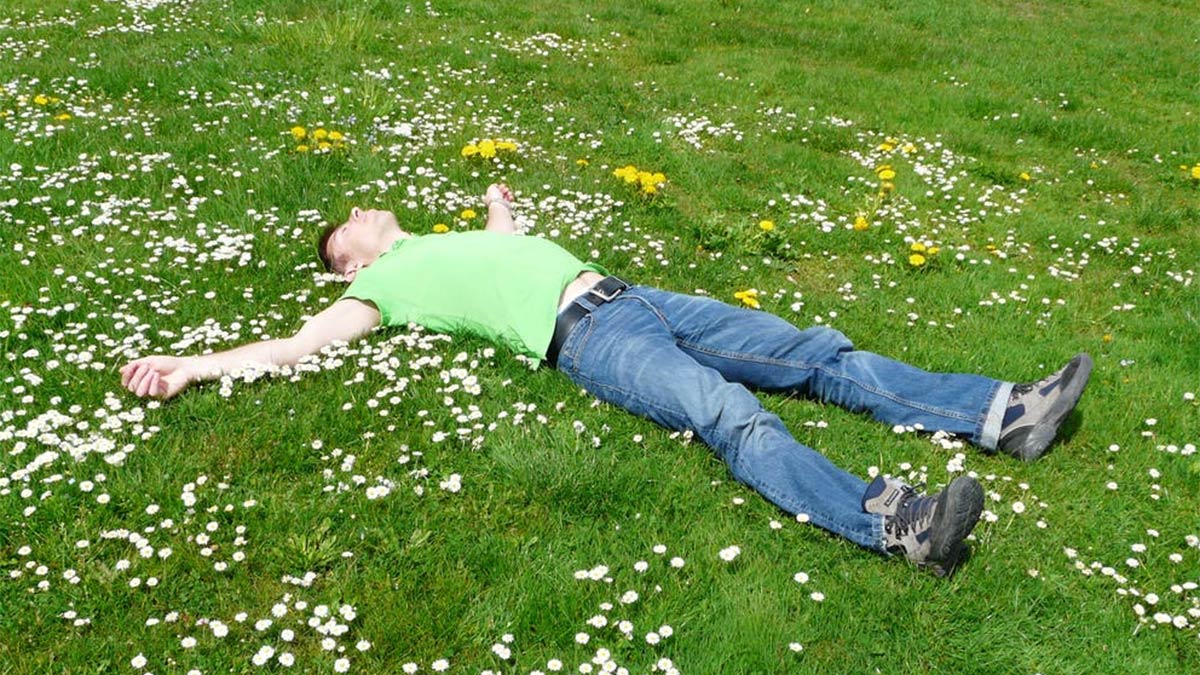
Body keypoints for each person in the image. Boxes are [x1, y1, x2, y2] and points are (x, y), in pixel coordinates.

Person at [120, 183, 1093, 576]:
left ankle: (1001, 413)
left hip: (637, 296)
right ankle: (898, 524)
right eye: (351, 229)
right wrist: (193, 365)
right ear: (348, 262)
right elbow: (296, 349)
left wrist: (500, 205)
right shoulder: (378, 289)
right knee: (729, 415)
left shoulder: (442, 240)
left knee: (812, 350)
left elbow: (503, 244)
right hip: (585, 339)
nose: (368, 213)